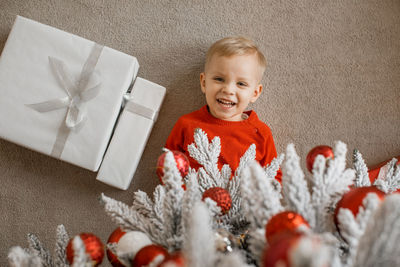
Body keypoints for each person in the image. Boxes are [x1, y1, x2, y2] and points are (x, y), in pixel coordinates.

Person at [165, 36, 281, 182]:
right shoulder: (187, 124)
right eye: (219, 79)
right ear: (204, 82)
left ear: (255, 93)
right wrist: (186, 196)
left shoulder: (261, 133)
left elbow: (274, 176)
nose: (228, 90)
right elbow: (167, 165)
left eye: (241, 84)